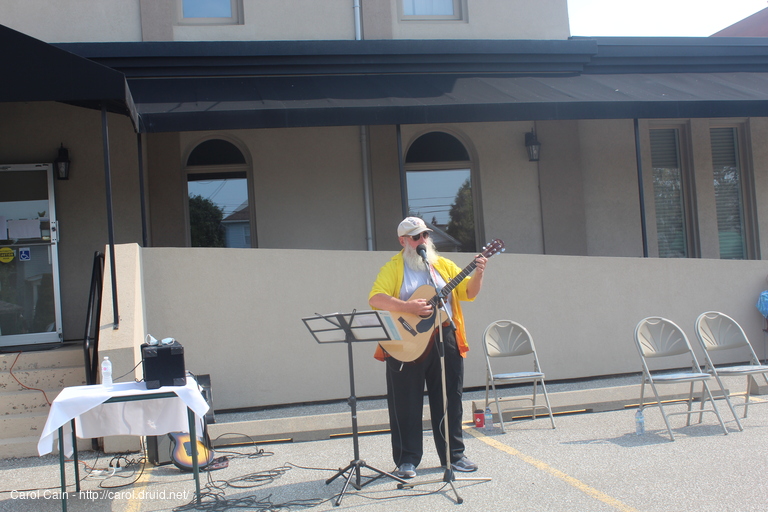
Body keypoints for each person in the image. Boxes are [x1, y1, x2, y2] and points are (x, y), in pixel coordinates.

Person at [368, 216, 487, 479]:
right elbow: (376, 298)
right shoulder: (393, 267)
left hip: (445, 338)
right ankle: (407, 460)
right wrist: (408, 307)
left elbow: (469, 292)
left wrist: (479, 272)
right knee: (405, 402)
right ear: (403, 241)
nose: (422, 241)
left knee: (449, 399)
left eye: (425, 235)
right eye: (415, 237)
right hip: (405, 344)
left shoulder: (442, 265)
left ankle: (453, 455)